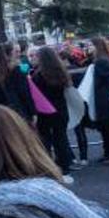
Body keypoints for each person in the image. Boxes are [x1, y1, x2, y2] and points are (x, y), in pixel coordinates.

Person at [30, 46, 75, 176]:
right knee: (61, 137)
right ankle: (65, 163)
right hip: (61, 108)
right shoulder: (60, 71)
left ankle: (48, 165)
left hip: (45, 111)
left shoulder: (38, 75)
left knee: (45, 139)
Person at [0, 42, 36, 123]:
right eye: (16, 52)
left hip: (7, 113)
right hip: (21, 111)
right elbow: (25, 93)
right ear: (10, 54)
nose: (19, 54)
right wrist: (33, 112)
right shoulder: (17, 70)